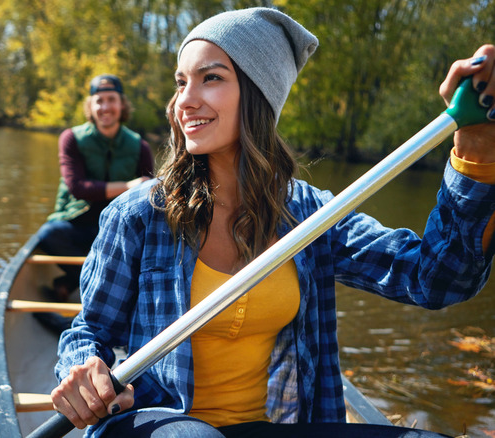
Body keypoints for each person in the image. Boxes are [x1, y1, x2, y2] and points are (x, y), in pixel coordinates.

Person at [50, 7, 495, 438]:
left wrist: (475, 148)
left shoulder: (312, 216)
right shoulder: (139, 214)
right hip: (156, 421)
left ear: (259, 94)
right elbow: (88, 332)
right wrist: (85, 370)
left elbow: (438, 278)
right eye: (181, 82)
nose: (184, 101)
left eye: (211, 78)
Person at [36, 74, 154, 304]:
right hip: (77, 225)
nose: (105, 107)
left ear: (122, 104)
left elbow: (149, 196)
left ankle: (69, 284)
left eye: (111, 99)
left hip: (117, 230)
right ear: (90, 106)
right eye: (99, 101)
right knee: (48, 234)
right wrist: (129, 186)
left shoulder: (140, 146)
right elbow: (78, 188)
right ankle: (89, 281)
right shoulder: (71, 138)